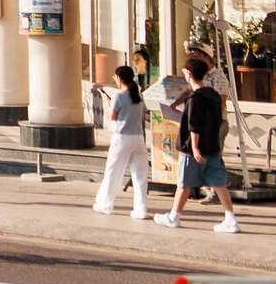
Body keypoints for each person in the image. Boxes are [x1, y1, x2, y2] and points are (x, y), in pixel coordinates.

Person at [155, 58, 238, 234]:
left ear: (190, 74)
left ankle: (174, 217)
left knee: (184, 183)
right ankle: (230, 219)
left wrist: (195, 147)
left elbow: (194, 125)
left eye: (185, 72)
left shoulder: (194, 99)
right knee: (218, 183)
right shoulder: (214, 96)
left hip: (194, 150)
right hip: (213, 147)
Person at [93, 64, 150, 220]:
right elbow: (142, 115)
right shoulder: (138, 95)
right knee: (140, 176)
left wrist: (107, 102)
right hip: (138, 138)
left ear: (119, 78)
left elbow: (113, 116)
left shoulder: (118, 96)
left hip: (121, 138)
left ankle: (105, 204)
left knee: (113, 172)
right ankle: (141, 210)